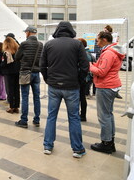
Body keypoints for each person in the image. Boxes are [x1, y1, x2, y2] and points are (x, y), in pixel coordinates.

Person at [41, 21, 88, 158]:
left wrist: (47, 79)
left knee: (51, 116)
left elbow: (42, 65)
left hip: (54, 86)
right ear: (70, 30)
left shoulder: (49, 44)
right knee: (74, 117)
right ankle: (77, 149)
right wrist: (78, 80)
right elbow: (85, 66)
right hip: (72, 86)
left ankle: (48, 146)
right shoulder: (77, 44)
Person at [90, 31, 125, 154]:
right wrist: (95, 64)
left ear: (104, 39)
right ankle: (110, 141)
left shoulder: (109, 53)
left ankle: (106, 143)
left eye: (98, 40)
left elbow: (101, 72)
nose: (97, 42)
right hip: (111, 85)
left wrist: (89, 65)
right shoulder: (112, 51)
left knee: (104, 116)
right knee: (108, 114)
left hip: (105, 86)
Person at [15, 26, 43, 128]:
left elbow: (17, 57)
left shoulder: (24, 44)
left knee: (25, 96)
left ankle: (24, 120)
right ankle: (36, 119)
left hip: (25, 73)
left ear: (28, 32)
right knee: (37, 97)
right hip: (36, 73)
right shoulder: (40, 45)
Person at [1, 37, 21, 113]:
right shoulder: (17, 51)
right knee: (16, 90)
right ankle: (16, 106)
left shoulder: (6, 53)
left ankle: (11, 107)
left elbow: (3, 64)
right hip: (17, 72)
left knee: (10, 90)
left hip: (8, 73)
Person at [77, 38, 95, 122]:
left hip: (83, 78)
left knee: (81, 97)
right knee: (82, 97)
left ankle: (82, 115)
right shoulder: (88, 53)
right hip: (86, 78)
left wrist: (80, 77)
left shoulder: (84, 54)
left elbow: (84, 68)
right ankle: (82, 115)